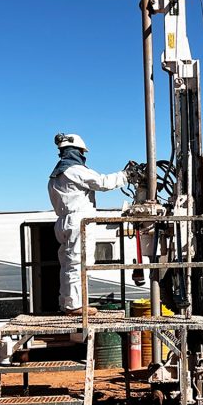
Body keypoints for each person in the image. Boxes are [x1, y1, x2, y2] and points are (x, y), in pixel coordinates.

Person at [48, 132, 141, 315]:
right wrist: (126, 175)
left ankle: (66, 303)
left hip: (63, 221)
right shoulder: (75, 170)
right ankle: (75, 306)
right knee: (78, 263)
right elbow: (102, 182)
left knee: (67, 264)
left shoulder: (55, 175)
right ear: (77, 151)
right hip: (79, 222)